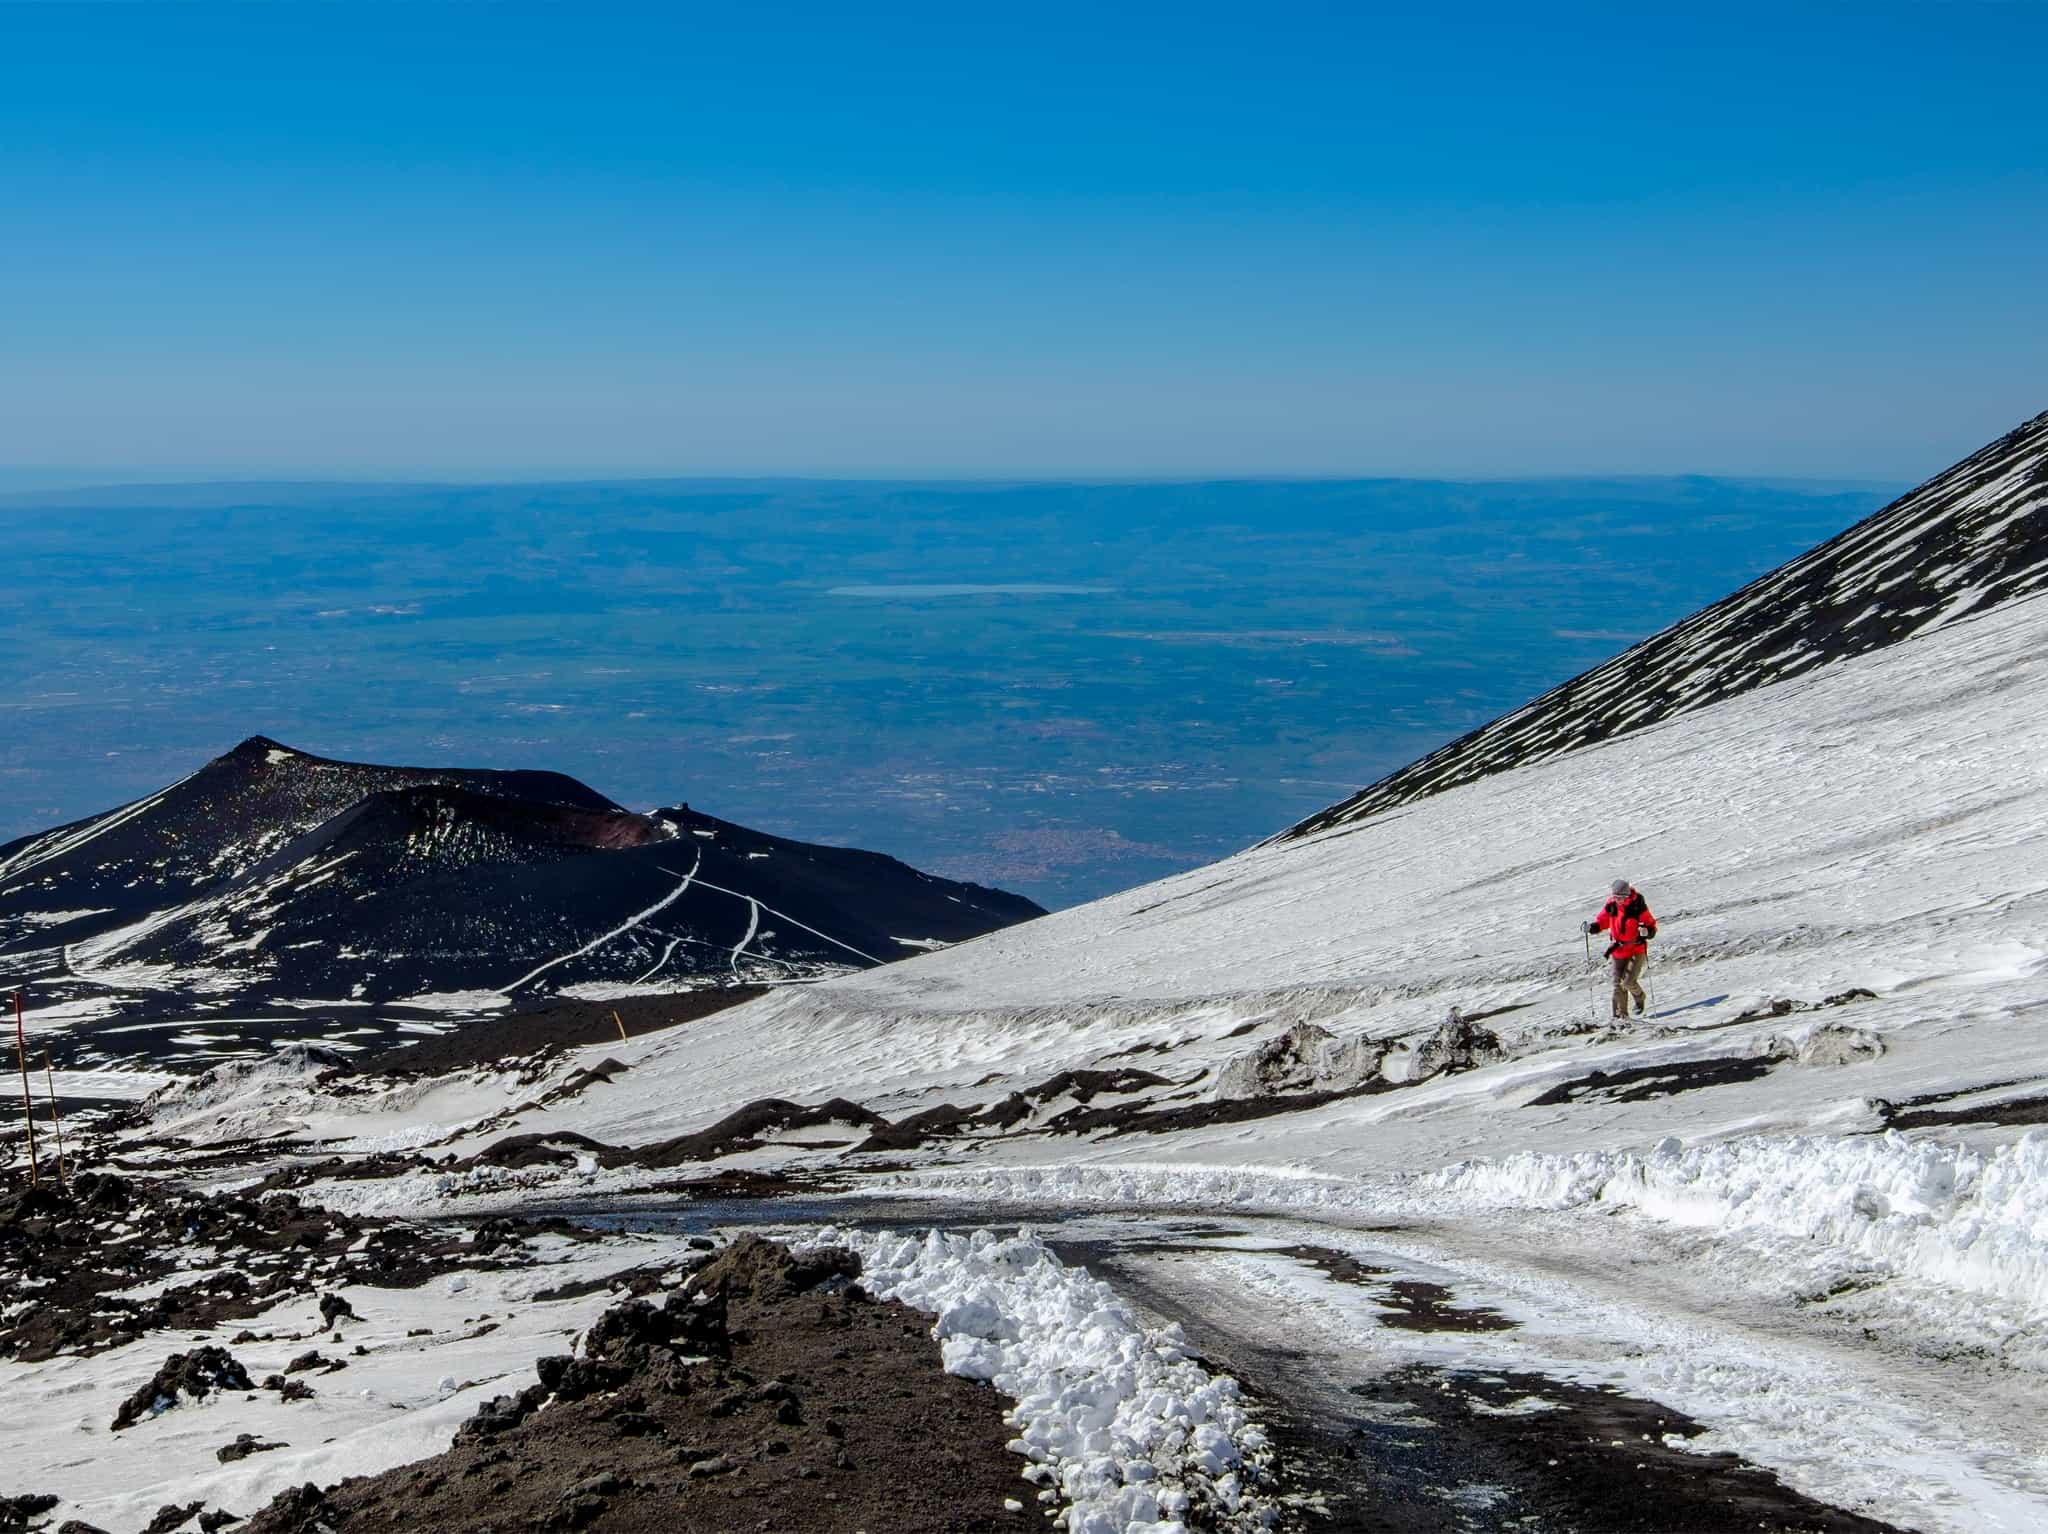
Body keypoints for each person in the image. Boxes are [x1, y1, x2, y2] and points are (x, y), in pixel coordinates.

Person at [1588, 878, 1657, 1018]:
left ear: (1627, 895)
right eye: (1615, 896)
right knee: (1617, 985)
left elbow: (1651, 925)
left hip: (1636, 949)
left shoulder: (1637, 905)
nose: (1617, 899)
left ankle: (1639, 997)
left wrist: (1647, 932)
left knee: (1628, 982)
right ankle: (1621, 1017)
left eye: (1620, 897)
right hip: (1618, 950)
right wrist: (1592, 927)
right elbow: (1603, 921)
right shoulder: (1611, 905)